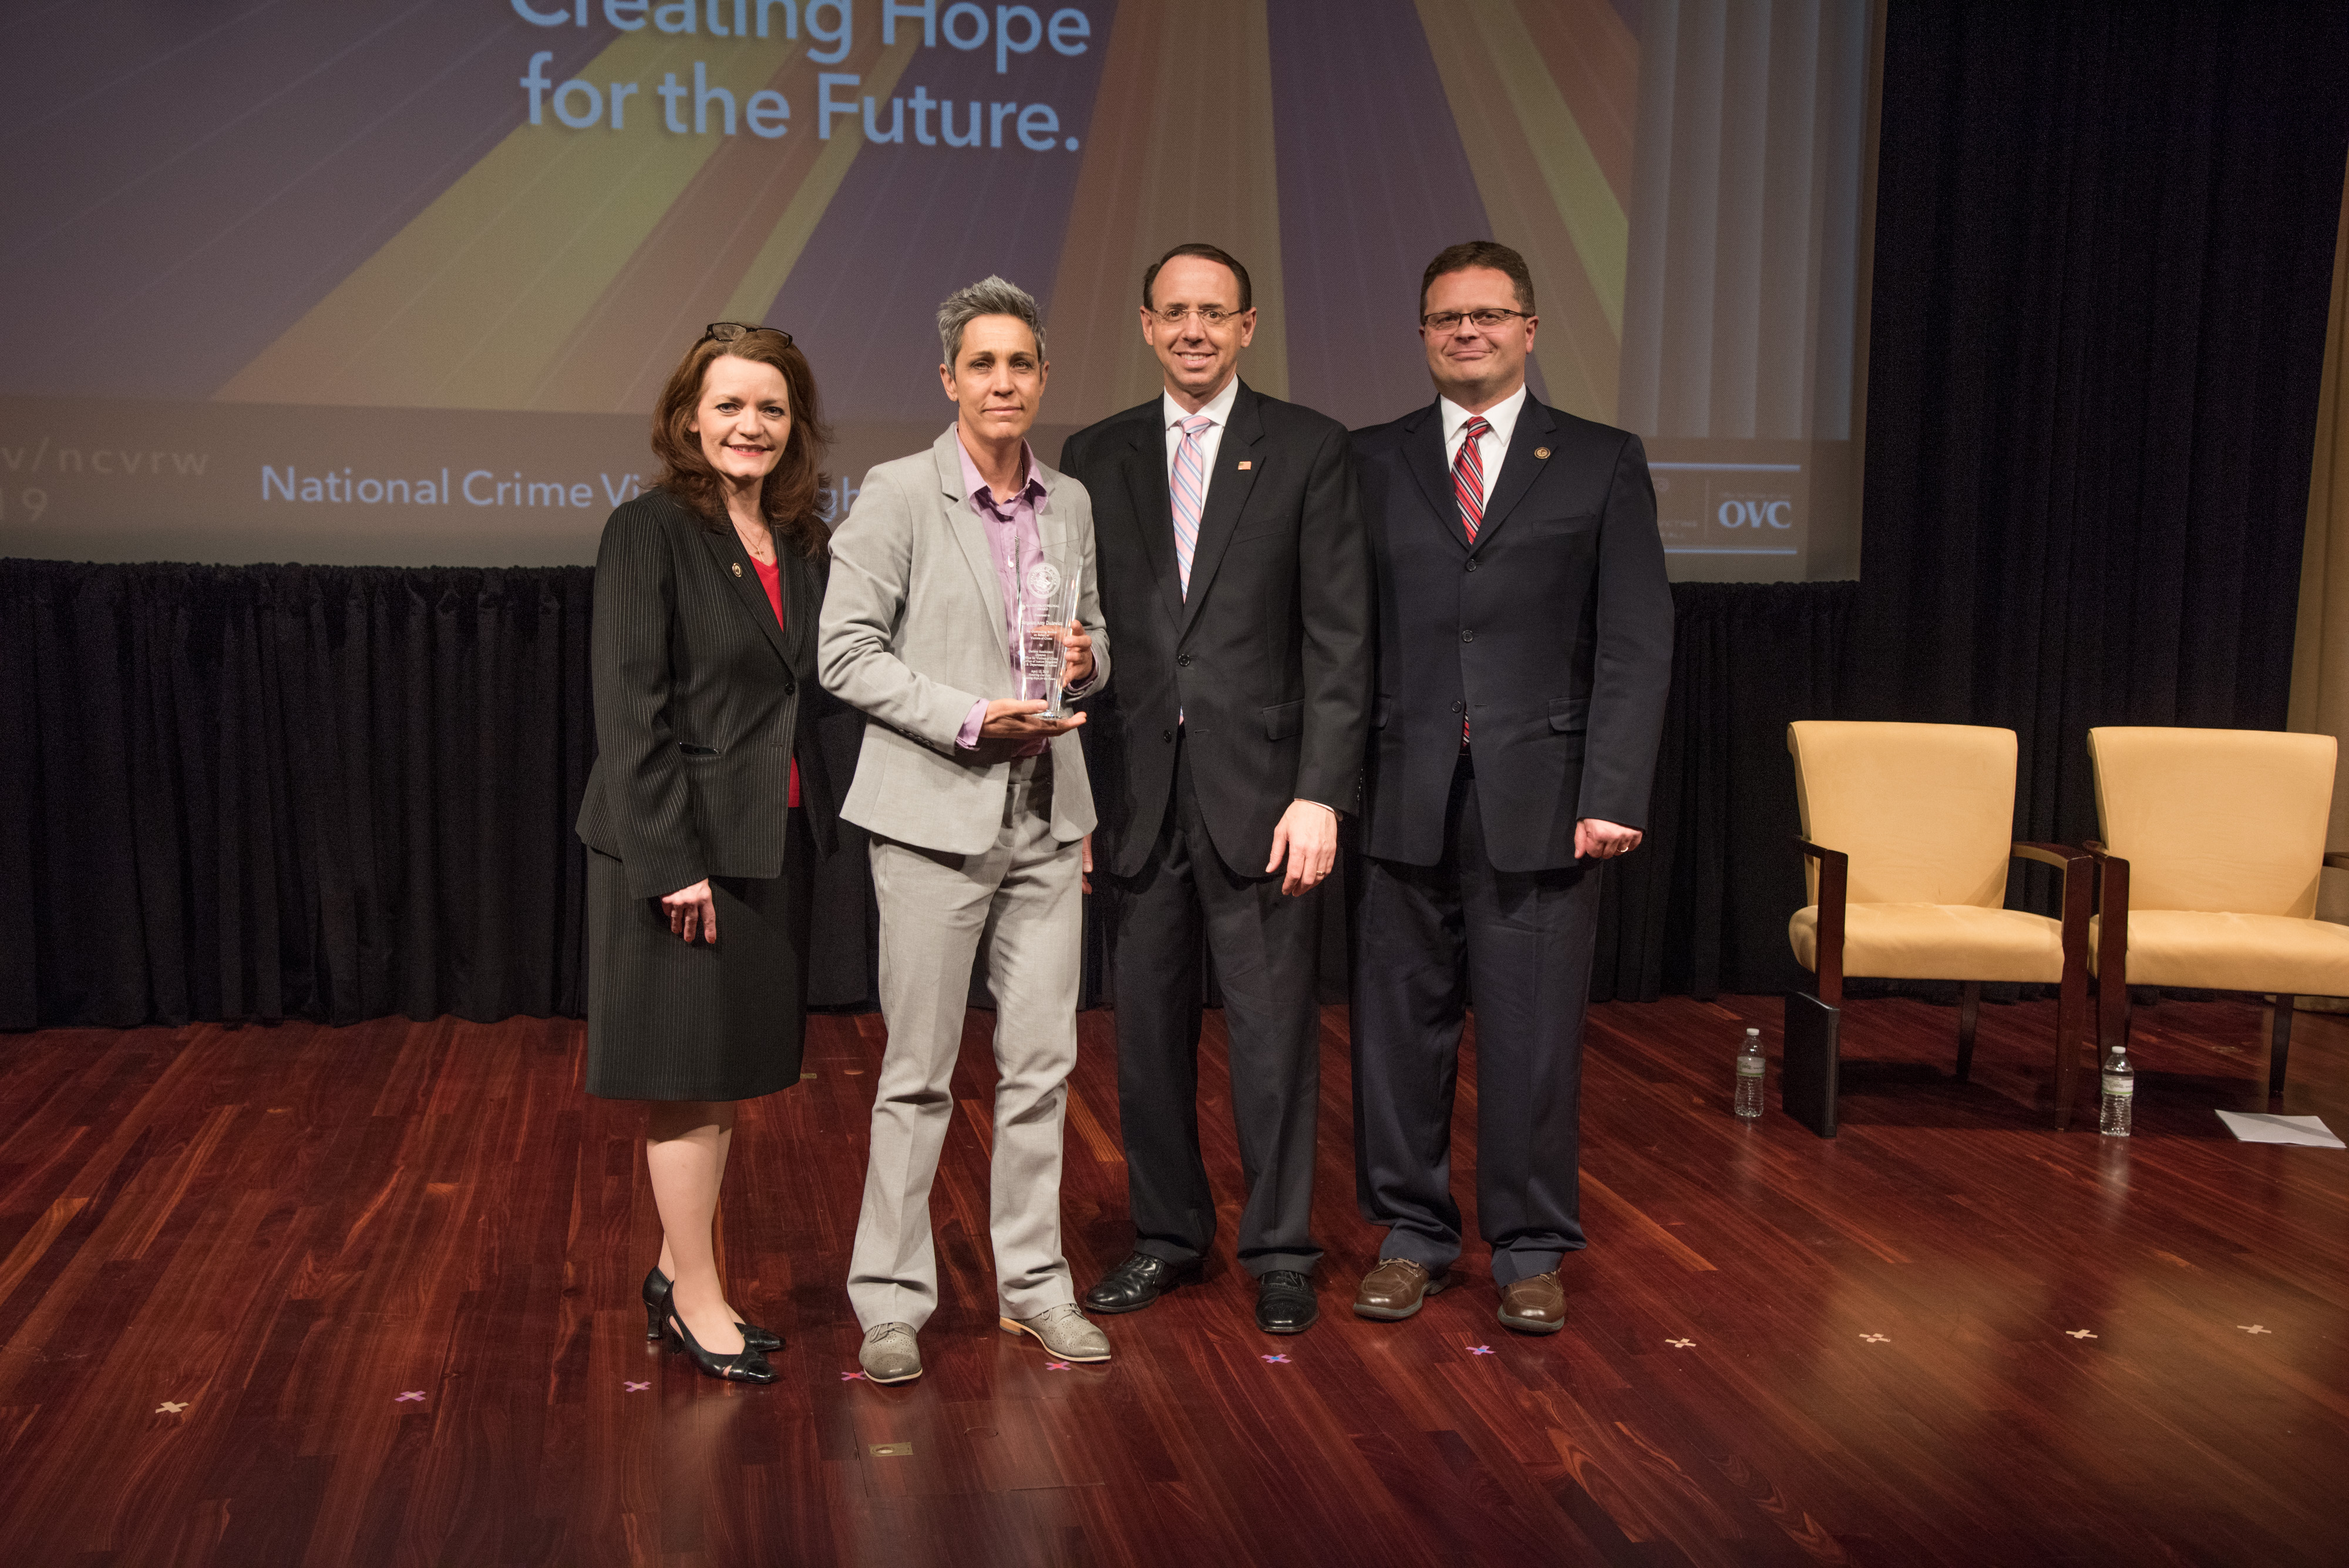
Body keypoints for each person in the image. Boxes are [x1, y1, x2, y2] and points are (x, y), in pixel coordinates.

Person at [1347, 240, 1673, 1334]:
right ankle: (1411, 1234)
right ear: (1425, 336)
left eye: (1490, 315)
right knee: (1399, 1029)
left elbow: (1634, 640)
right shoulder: (1369, 460)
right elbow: (1340, 638)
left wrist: (1615, 785)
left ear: (1531, 329)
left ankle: (1530, 1246)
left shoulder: (1601, 459)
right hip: (1402, 787)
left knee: (1533, 1035)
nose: (1468, 333)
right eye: (1447, 319)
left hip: (1546, 794)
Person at [1060, 243, 1371, 1336]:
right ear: (1146, 324)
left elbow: (1342, 636)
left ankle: (1282, 1245)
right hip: (1136, 794)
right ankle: (1166, 1236)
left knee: (1276, 1040)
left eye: (1216, 313)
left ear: (1249, 326)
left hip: (1269, 799)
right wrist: (1076, 800)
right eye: (1175, 312)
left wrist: (1322, 791)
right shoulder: (1092, 454)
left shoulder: (1310, 448)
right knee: (1143, 1040)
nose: (1195, 330)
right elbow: (1074, 633)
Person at [819, 276, 1112, 1384]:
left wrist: (1089, 657)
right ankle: (891, 1299)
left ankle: (1035, 1288)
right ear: (948, 380)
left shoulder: (1071, 500)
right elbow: (843, 653)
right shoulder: (897, 495)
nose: (1003, 382)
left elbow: (1091, 638)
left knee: (1043, 1068)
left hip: (1046, 819)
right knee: (918, 1073)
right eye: (981, 365)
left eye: (1021, 364)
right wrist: (967, 716)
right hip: (935, 819)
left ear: (1042, 376)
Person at [577, 322, 842, 1383]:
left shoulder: (804, 539)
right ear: (690, 416)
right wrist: (668, 860)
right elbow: (629, 712)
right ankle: (697, 1297)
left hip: (768, 844)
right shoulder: (650, 531)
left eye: (771, 408)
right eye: (730, 405)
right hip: (676, 855)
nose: (751, 425)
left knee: (723, 1076)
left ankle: (671, 1267)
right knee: (685, 1081)